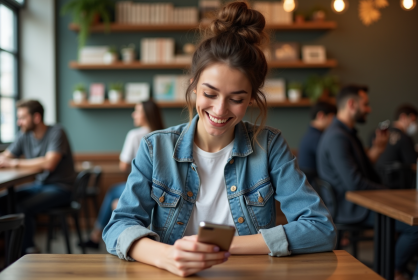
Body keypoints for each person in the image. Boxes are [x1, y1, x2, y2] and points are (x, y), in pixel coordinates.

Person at [103, 2, 336, 277]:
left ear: (251, 98)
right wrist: (166, 255)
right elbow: (118, 227)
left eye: (236, 99)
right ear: (193, 84)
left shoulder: (269, 145)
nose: (220, 110)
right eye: (210, 94)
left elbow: (321, 229)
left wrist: (225, 246)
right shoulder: (155, 147)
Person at [317, 85, 418, 280]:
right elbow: (355, 183)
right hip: (353, 207)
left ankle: (392, 266)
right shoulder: (338, 137)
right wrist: (389, 192)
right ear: (351, 104)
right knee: (416, 227)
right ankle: (393, 270)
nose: (369, 109)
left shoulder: (345, 133)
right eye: (366, 104)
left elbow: (357, 169)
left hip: (358, 201)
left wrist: (377, 150)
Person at [81, 100, 164, 249]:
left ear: (146, 114)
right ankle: (97, 234)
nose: (134, 114)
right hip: (162, 187)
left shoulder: (135, 135)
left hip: (145, 186)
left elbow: (124, 165)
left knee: (113, 190)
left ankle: (96, 235)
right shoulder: (165, 134)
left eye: (137, 111)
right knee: (115, 191)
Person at [0, 100, 76, 254]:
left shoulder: (57, 131)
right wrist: (5, 160)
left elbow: (49, 163)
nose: (18, 122)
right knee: (2, 200)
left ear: (36, 117)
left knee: (22, 207)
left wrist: (14, 163)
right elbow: (5, 157)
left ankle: (28, 251)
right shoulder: (24, 135)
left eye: (22, 117)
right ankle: (9, 247)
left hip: (62, 188)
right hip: (40, 186)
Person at [298, 101, 336, 184]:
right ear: (321, 115)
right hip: (316, 188)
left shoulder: (310, 136)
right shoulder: (317, 138)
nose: (334, 122)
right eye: (332, 118)